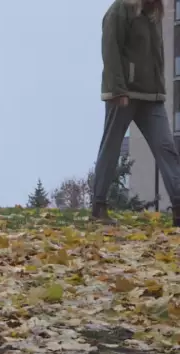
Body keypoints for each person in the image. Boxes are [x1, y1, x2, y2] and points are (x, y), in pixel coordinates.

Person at [93, 0, 180, 225]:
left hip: (152, 97)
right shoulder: (120, 10)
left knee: (166, 148)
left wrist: (160, 90)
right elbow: (110, 50)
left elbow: (156, 57)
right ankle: (99, 206)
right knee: (111, 148)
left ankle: (179, 207)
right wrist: (118, 90)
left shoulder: (153, 13)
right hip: (123, 94)